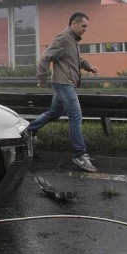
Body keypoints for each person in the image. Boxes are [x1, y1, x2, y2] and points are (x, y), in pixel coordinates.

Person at [26, 12, 98, 172]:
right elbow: (44, 59)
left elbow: (73, 58)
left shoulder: (72, 39)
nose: (86, 29)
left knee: (54, 112)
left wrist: (87, 66)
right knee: (76, 115)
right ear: (74, 23)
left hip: (65, 82)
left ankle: (28, 131)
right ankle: (80, 154)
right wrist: (42, 80)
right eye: (84, 26)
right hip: (63, 83)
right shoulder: (63, 38)